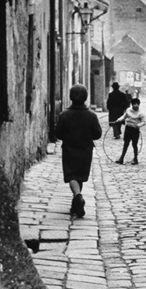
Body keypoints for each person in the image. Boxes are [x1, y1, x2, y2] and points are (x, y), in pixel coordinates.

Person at [55, 84, 102, 218]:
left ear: (71, 97)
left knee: (71, 175)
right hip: (85, 149)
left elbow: (58, 134)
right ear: (85, 97)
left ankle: (78, 197)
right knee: (80, 175)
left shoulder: (65, 115)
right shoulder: (91, 115)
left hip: (69, 148)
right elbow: (97, 134)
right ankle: (76, 204)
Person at [111, 98, 146, 165]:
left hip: (135, 130)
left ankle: (135, 159)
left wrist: (138, 125)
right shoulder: (128, 110)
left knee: (134, 144)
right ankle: (121, 158)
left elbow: (143, 122)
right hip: (128, 129)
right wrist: (118, 120)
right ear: (132, 104)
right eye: (134, 104)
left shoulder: (140, 113)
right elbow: (124, 116)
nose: (136, 105)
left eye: (137, 104)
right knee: (126, 144)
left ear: (139, 105)